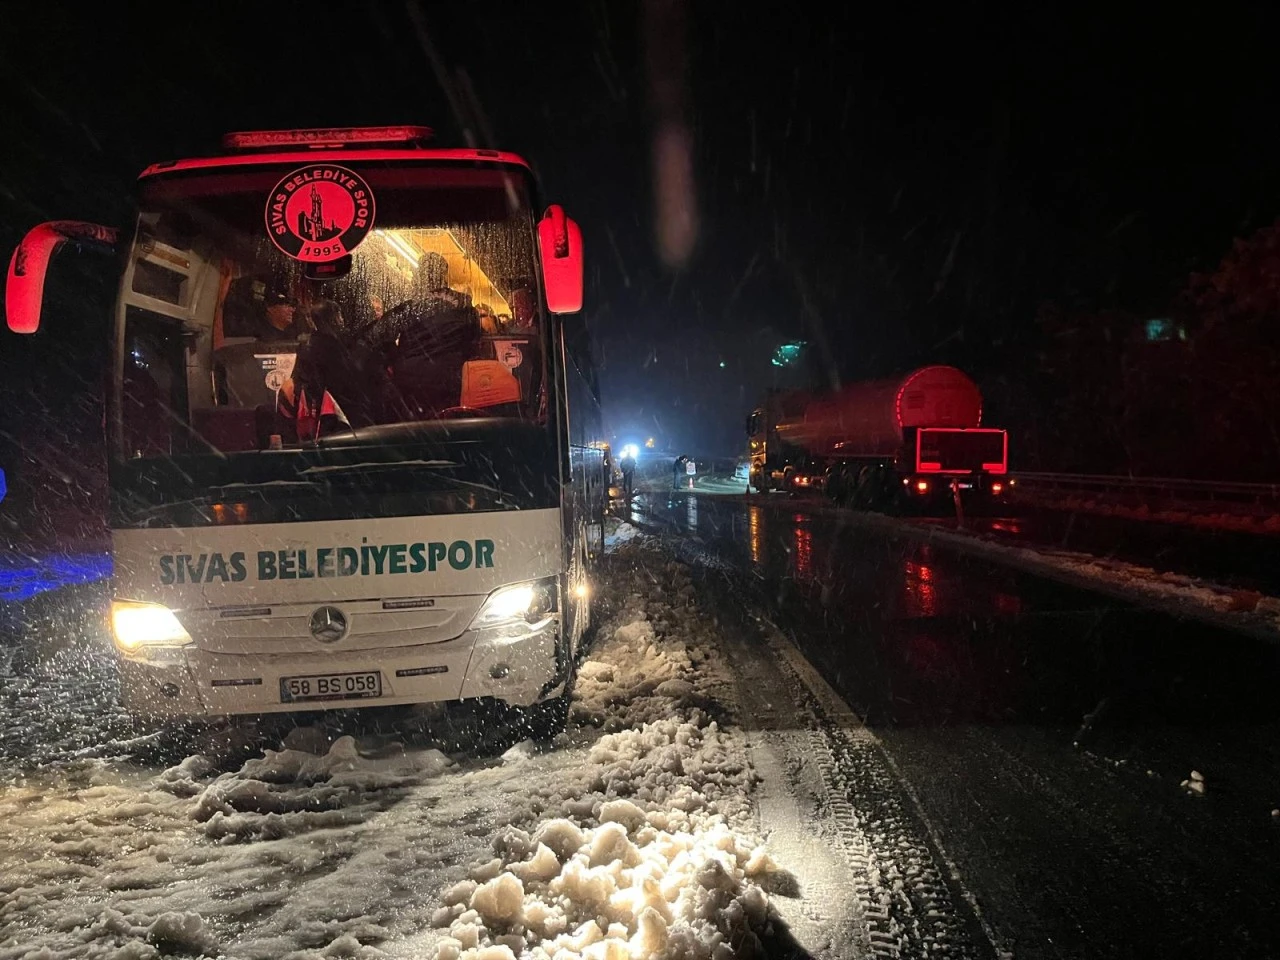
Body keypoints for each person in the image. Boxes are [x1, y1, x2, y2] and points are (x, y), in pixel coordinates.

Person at [384, 252, 482, 416]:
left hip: (410, 385)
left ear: (421, 274)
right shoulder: (464, 305)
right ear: (443, 275)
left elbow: (386, 338)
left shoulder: (409, 305)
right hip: (450, 380)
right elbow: (473, 343)